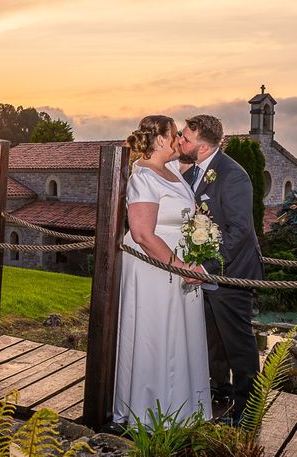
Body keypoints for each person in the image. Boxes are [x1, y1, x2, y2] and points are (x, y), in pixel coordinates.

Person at [112, 115, 212, 428]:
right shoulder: (144, 175)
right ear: (159, 141)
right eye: (175, 135)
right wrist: (180, 266)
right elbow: (142, 233)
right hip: (154, 265)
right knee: (155, 331)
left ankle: (181, 409)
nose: (179, 141)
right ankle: (148, 410)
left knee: (180, 332)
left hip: (180, 262)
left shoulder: (169, 170)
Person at [177, 114, 264, 424]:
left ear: (202, 147)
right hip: (203, 272)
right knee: (211, 337)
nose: (179, 141)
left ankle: (248, 411)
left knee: (238, 344)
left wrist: (206, 267)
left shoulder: (233, 175)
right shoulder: (193, 172)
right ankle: (220, 391)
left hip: (232, 273)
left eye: (185, 138)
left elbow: (239, 231)